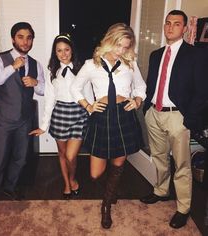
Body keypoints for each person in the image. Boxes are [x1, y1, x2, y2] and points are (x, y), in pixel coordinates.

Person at [70, 23, 146, 229]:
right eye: (118, 45)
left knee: (118, 164)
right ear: (109, 40)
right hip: (102, 116)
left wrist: (137, 101)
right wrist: (88, 105)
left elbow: (140, 86)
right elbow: (75, 88)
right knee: (95, 173)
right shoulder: (91, 64)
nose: (121, 51)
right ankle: (110, 191)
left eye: (125, 47)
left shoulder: (130, 63)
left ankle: (106, 204)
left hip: (124, 115)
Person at [140, 10, 207, 229]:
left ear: (185, 28)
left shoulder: (196, 54)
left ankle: (183, 207)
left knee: (182, 165)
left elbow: (203, 91)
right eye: (167, 23)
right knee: (158, 157)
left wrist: (189, 118)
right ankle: (160, 190)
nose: (170, 28)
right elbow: (152, 83)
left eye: (176, 24)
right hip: (155, 113)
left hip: (178, 116)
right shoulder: (156, 54)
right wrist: (148, 108)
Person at [0, 22, 45, 212]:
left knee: (20, 158)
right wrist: (12, 67)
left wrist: (35, 83)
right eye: (20, 37)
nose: (25, 41)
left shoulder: (36, 64)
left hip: (25, 121)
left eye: (29, 37)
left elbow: (43, 90)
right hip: (3, 120)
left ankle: (9, 187)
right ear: (12, 39)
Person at [29, 33, 94, 199]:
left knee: (71, 155)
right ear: (55, 53)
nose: (63, 54)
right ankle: (66, 184)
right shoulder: (53, 72)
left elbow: (88, 95)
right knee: (62, 154)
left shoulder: (82, 70)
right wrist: (44, 125)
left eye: (66, 50)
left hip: (79, 114)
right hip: (60, 115)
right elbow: (50, 100)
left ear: (72, 51)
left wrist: (93, 115)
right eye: (59, 51)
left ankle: (72, 179)